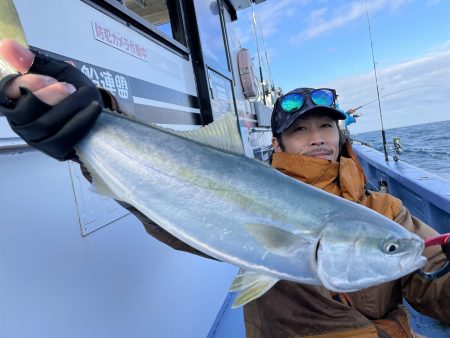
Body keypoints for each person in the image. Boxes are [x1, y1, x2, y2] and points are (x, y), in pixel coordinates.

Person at [1, 41, 449, 338]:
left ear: (340, 136)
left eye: (326, 128)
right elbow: (178, 218)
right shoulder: (246, 185)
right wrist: (91, 123)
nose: (317, 139)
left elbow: (428, 280)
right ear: (278, 144)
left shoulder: (384, 209)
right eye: (302, 130)